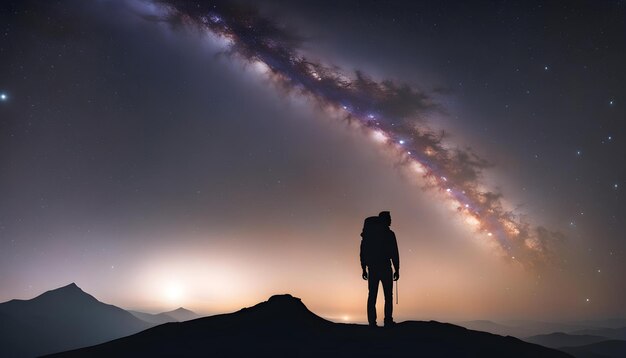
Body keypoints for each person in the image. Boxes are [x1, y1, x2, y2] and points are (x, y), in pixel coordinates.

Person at [360, 211, 400, 327]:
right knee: (388, 296)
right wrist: (397, 269)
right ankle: (388, 320)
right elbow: (394, 253)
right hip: (385, 268)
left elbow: (363, 251)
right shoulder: (389, 234)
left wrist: (363, 268)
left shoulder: (370, 234)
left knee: (372, 295)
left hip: (372, 268)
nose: (391, 220)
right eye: (389, 218)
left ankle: (372, 322)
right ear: (385, 219)